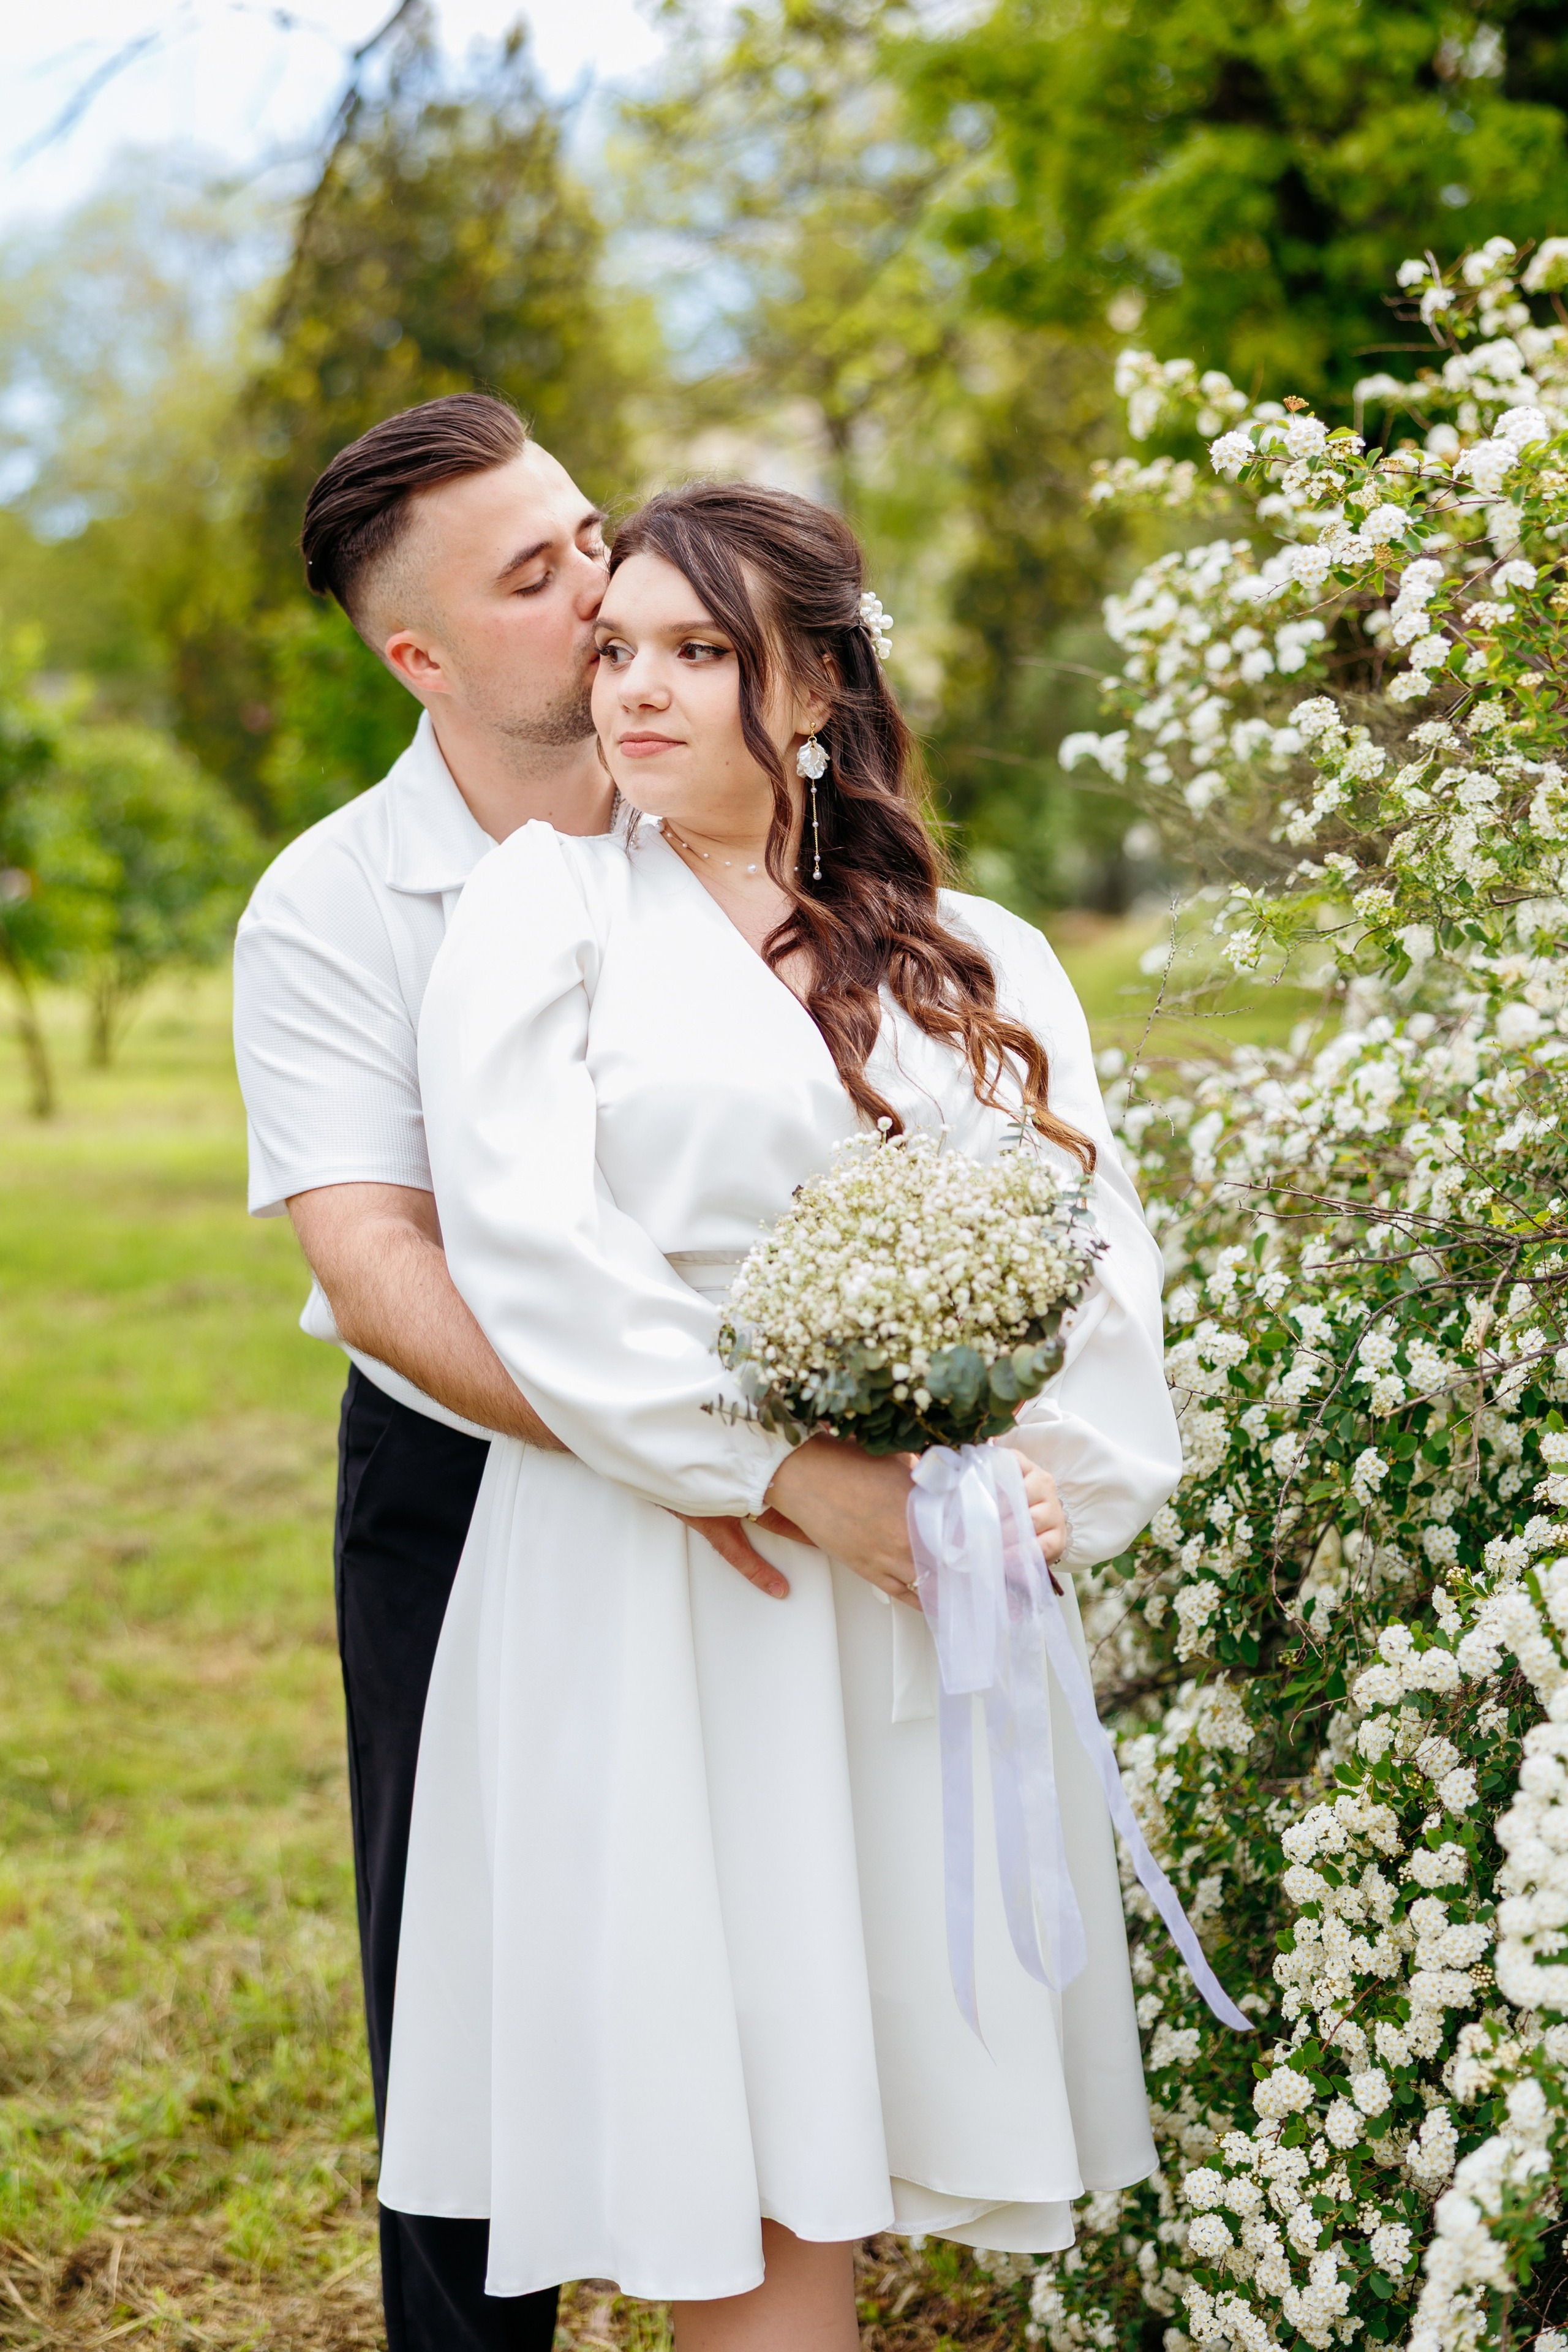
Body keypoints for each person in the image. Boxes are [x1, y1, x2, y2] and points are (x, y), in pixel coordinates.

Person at [379, 481, 1185, 2350]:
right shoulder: (546, 908)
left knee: (845, 2102)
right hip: (667, 1579)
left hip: (918, 1583)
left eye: (700, 652)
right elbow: (534, 1252)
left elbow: (1094, 1249)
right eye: (617, 650)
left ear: (814, 685)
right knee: (721, 2141)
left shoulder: (974, 950)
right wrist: (782, 1471)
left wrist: (1047, 1485)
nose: (637, 691)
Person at [232, 398, 802, 2352]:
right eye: (535, 573)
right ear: (422, 655)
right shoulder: (330, 902)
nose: (597, 584)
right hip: (470, 1470)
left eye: (588, 531)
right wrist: (670, 1447)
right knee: (474, 1955)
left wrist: (783, 1441)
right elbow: (377, 1262)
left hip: (784, 1446)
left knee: (764, 1900)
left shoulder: (720, 812)